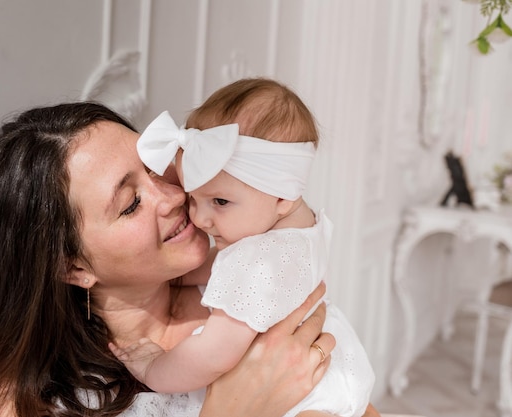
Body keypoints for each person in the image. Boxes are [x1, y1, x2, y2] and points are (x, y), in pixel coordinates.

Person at [0, 101, 347, 417]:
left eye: (157, 168)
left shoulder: (243, 281)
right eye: (130, 204)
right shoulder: (27, 399)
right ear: (74, 267)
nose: (176, 195)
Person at [113, 78, 375, 417]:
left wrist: (154, 369)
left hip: (304, 399)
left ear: (283, 197)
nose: (199, 217)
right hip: (335, 371)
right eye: (194, 197)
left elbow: (213, 354)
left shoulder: (255, 261)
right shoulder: (301, 229)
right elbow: (219, 267)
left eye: (219, 201)